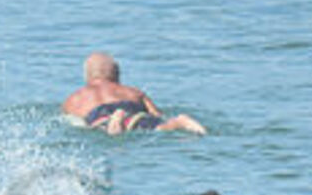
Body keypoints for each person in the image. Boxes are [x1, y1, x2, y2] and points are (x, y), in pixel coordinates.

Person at [63, 51, 207, 135]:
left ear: (87, 76)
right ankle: (179, 122)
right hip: (132, 110)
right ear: (117, 75)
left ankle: (115, 123)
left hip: (101, 114)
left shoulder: (75, 98)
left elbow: (74, 122)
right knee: (158, 127)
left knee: (99, 127)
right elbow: (158, 115)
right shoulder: (133, 92)